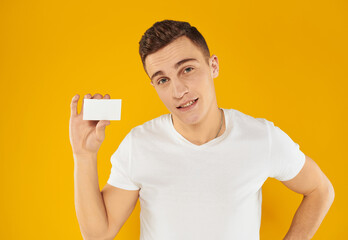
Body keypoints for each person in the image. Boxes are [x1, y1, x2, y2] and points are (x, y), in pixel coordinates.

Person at [69, 20, 335, 240]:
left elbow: (320, 190)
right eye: (162, 79)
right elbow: (98, 235)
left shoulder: (261, 137)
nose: (178, 91)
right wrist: (83, 155)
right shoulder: (139, 144)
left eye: (187, 69)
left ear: (213, 66)